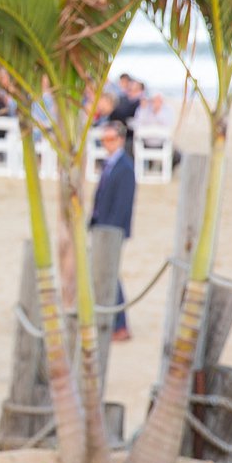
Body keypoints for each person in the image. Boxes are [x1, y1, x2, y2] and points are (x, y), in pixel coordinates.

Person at [90, 120, 137, 341]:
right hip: (101, 227)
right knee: (103, 272)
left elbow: (122, 204)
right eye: (103, 140)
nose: (106, 144)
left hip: (113, 230)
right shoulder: (109, 164)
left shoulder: (125, 167)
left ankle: (120, 325)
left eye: (110, 139)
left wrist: (111, 231)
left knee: (111, 274)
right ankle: (108, 319)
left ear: (119, 140)